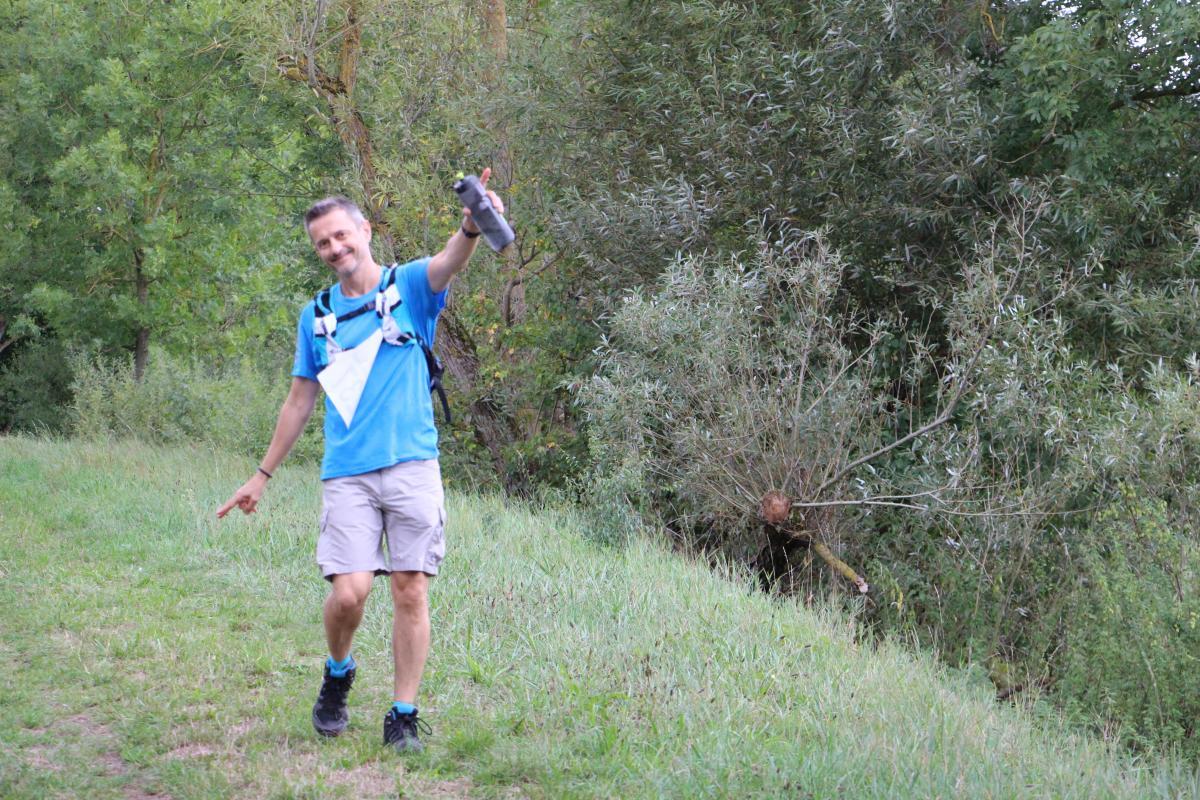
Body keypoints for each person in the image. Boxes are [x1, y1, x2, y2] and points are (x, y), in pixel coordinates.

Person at [216, 169, 505, 753]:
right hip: (347, 472)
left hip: (412, 464)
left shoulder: (408, 287)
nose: (334, 248)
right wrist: (261, 475)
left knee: (410, 589)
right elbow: (300, 400)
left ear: (365, 230)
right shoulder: (317, 315)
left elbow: (448, 261)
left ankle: (403, 716)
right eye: (323, 242)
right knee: (349, 593)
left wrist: (472, 227)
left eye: (341, 235)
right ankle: (338, 671)